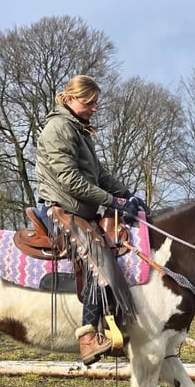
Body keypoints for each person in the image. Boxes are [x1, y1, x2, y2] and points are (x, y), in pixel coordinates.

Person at [36, 74, 145, 365]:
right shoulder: (58, 128)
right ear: (70, 99)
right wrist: (113, 201)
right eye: (89, 102)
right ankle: (87, 338)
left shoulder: (79, 129)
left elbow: (99, 174)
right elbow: (70, 180)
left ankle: (114, 324)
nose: (94, 107)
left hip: (82, 210)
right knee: (97, 256)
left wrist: (128, 194)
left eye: (96, 102)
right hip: (63, 209)